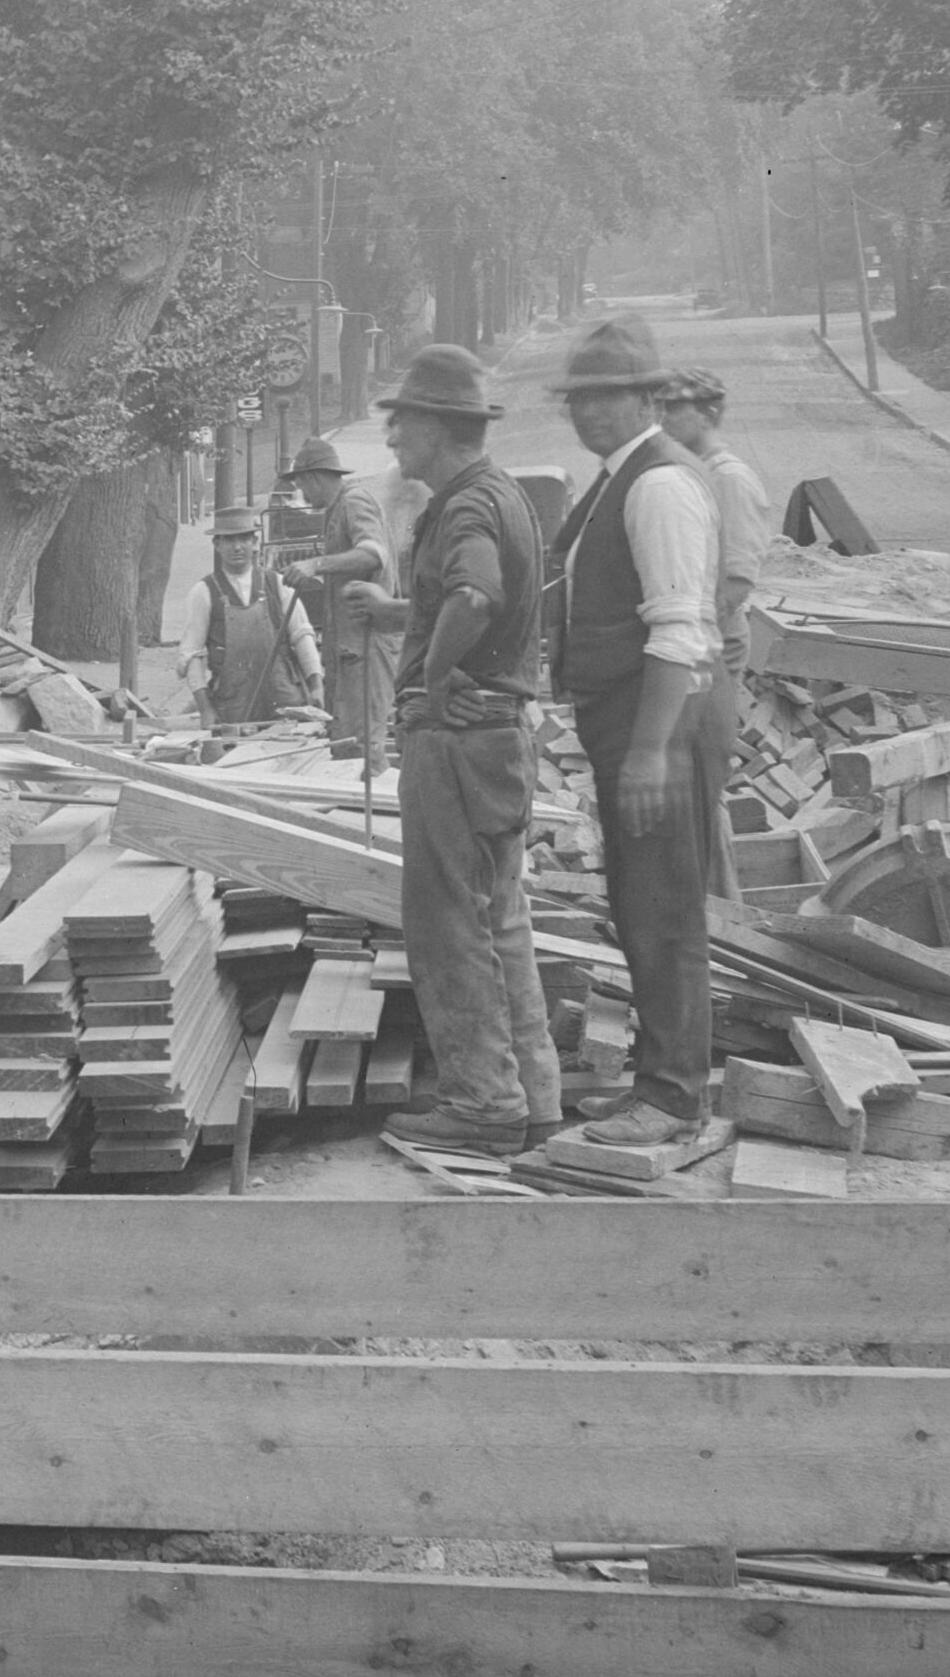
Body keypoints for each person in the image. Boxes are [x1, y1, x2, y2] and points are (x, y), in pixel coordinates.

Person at [368, 344, 553, 1160]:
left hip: (460, 742)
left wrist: (436, 679)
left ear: (442, 426)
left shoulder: (465, 508)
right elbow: (468, 595)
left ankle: (481, 1104)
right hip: (500, 741)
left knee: (449, 924)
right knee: (501, 920)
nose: (392, 439)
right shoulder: (503, 495)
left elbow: (476, 593)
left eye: (402, 421)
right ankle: (533, 1098)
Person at [544, 315, 726, 1137]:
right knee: (641, 899)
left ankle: (673, 1096)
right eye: (580, 399)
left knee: (663, 907)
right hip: (630, 717)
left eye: (608, 398)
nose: (590, 413)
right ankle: (661, 1082)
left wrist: (651, 751)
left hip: (661, 721)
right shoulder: (619, 477)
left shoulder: (657, 483)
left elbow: (680, 629)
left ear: (648, 398)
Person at [649, 367, 769, 905]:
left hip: (710, 648)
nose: (664, 417)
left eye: (676, 407)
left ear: (711, 413)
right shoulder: (688, 472)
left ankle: (719, 914)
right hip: (692, 647)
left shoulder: (728, 477)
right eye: (660, 406)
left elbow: (737, 580)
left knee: (697, 785)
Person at [274, 435, 407, 767]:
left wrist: (314, 565)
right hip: (350, 652)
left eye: (302, 484)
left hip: (366, 647)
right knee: (346, 744)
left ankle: (371, 815)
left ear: (314, 477)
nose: (302, 494)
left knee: (363, 746)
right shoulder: (336, 510)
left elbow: (373, 554)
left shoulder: (354, 502)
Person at [191, 508, 323, 729]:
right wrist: (205, 709)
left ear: (254, 542)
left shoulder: (278, 584)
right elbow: (192, 655)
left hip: (285, 701)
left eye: (243, 538)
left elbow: (303, 636)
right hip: (233, 705)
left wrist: (317, 685)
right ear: (217, 545)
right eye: (229, 540)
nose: (237, 546)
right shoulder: (203, 592)